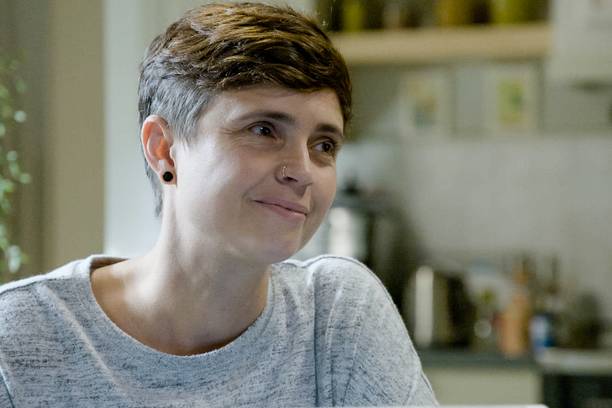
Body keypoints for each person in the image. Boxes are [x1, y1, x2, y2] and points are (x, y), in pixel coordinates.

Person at [0, 3, 437, 407]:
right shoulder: (18, 339)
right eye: (263, 130)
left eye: (323, 145)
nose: (303, 171)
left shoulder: (337, 314)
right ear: (164, 149)